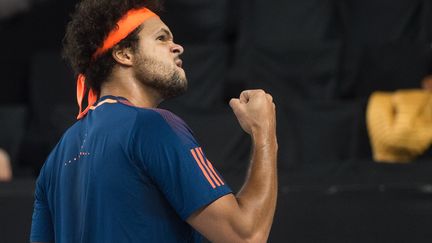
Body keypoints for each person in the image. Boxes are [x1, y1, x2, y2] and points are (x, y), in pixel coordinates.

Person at [30, 0, 278, 242]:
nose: (177, 47)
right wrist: (264, 131)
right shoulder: (152, 126)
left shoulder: (55, 158)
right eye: (162, 38)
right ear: (124, 53)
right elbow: (246, 236)